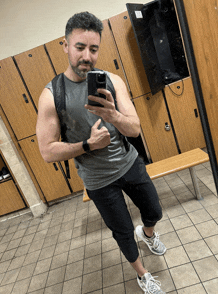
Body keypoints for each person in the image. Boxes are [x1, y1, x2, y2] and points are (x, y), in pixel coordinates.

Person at [36, 11, 166, 294]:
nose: (87, 56)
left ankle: (148, 234)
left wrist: (114, 116)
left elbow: (134, 128)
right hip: (97, 180)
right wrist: (87, 145)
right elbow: (46, 151)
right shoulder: (52, 95)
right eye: (80, 47)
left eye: (93, 49)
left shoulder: (112, 81)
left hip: (129, 163)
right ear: (65, 45)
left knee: (154, 210)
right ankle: (143, 275)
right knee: (121, 232)